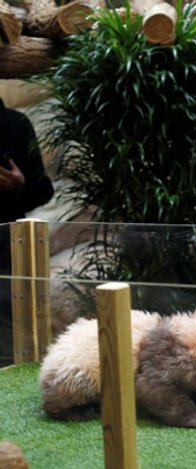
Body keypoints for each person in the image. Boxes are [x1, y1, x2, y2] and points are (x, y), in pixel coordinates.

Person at [0, 99, 55, 366]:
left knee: (9, 334)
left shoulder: (15, 124)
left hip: (6, 248)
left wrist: (19, 186)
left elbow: (44, 190)